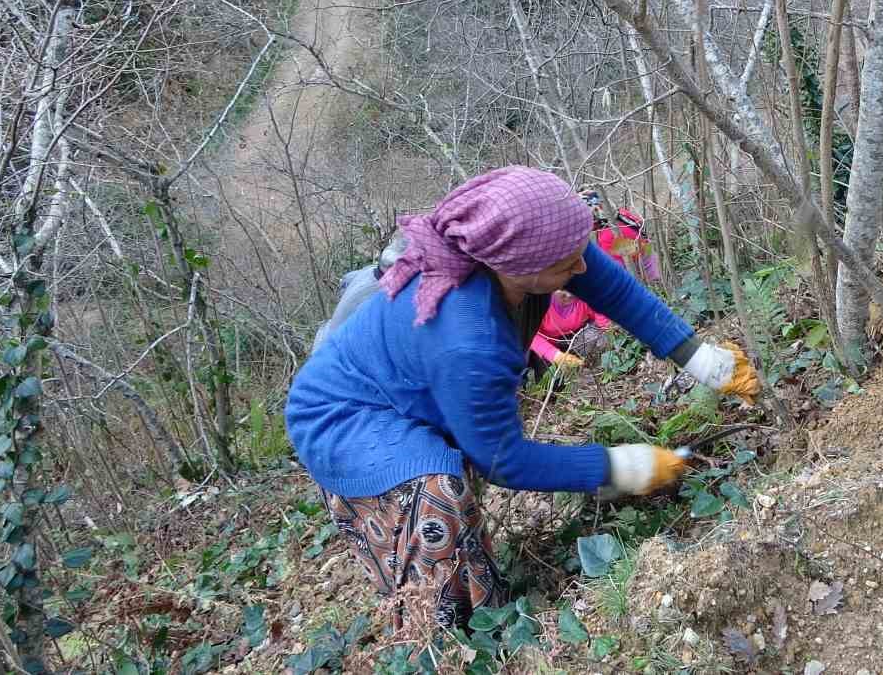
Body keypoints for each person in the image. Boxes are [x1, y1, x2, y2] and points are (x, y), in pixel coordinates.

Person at [285, 167, 759, 627]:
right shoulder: (469, 336)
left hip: (411, 388)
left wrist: (704, 361)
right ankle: (449, 634)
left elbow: (618, 293)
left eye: (581, 251)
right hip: (342, 417)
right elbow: (503, 459)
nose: (580, 266)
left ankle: (482, 611)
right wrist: (625, 468)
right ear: (515, 267)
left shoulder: (540, 250)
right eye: (566, 265)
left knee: (455, 469)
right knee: (437, 487)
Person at [579, 189, 663, 283]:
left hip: (647, 274)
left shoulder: (608, 236)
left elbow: (617, 272)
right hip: (652, 258)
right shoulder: (621, 214)